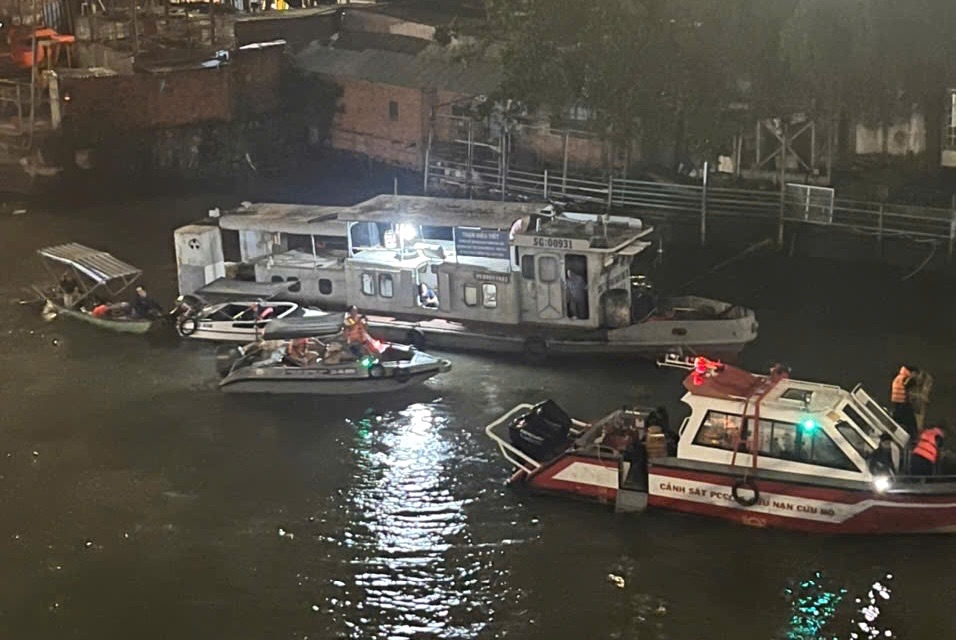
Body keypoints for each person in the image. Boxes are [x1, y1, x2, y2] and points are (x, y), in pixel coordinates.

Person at [890, 365, 919, 439]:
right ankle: (913, 437)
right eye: (916, 374)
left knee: (899, 419)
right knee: (911, 421)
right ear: (912, 372)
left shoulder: (900, 376)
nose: (916, 376)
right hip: (902, 402)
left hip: (897, 401)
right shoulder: (906, 377)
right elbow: (908, 385)